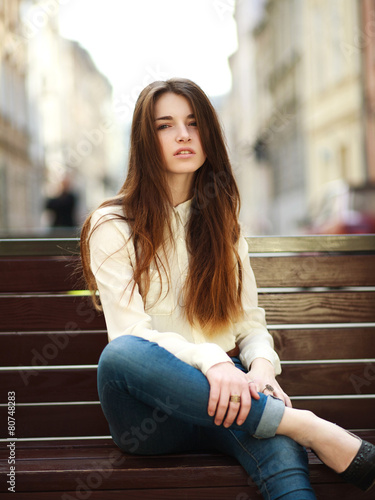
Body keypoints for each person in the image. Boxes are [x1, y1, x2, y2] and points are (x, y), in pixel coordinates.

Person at [80, 78, 375, 499]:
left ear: (209, 135)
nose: (183, 134)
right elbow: (130, 334)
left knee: (283, 459)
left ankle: (287, 427)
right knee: (119, 354)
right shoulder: (112, 226)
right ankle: (308, 426)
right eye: (165, 125)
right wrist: (214, 361)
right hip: (152, 417)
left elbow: (248, 322)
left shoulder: (222, 224)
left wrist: (260, 370)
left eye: (194, 123)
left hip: (229, 404)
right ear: (145, 139)